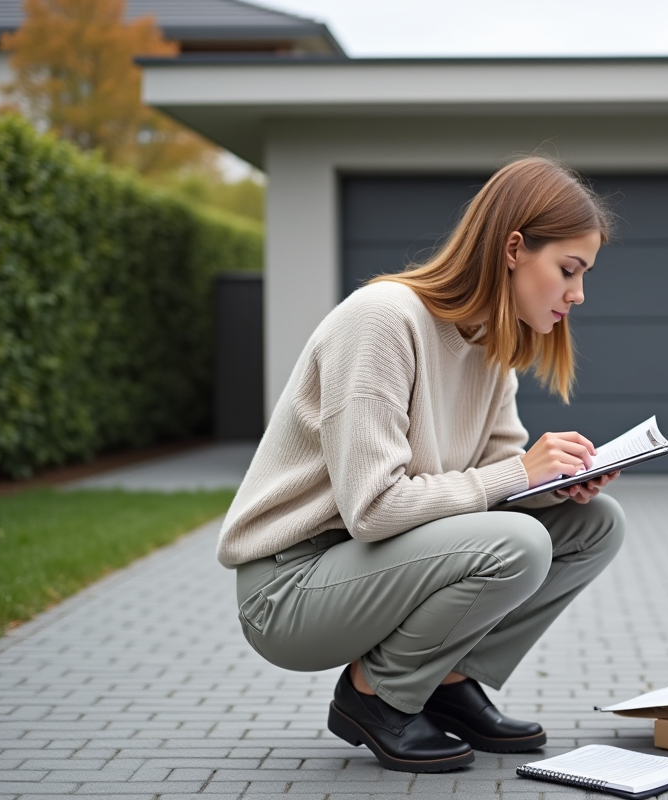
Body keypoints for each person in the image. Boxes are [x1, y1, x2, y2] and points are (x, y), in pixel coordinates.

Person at [218, 156, 626, 773]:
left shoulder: (492, 347)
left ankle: (446, 680)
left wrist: (559, 483)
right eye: (568, 269)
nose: (579, 293)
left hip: (372, 567)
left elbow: (492, 483)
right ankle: (374, 694)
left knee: (597, 522)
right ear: (514, 248)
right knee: (518, 544)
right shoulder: (382, 319)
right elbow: (374, 509)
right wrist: (521, 472)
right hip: (289, 589)